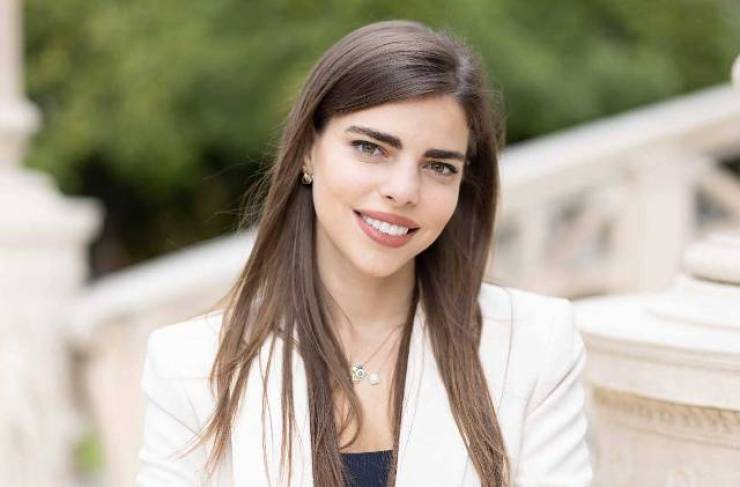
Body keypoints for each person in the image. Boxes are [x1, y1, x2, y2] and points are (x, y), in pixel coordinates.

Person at [136, 20, 592, 487]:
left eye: (439, 166)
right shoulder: (191, 367)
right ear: (308, 151)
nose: (403, 190)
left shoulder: (534, 343)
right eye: (370, 148)